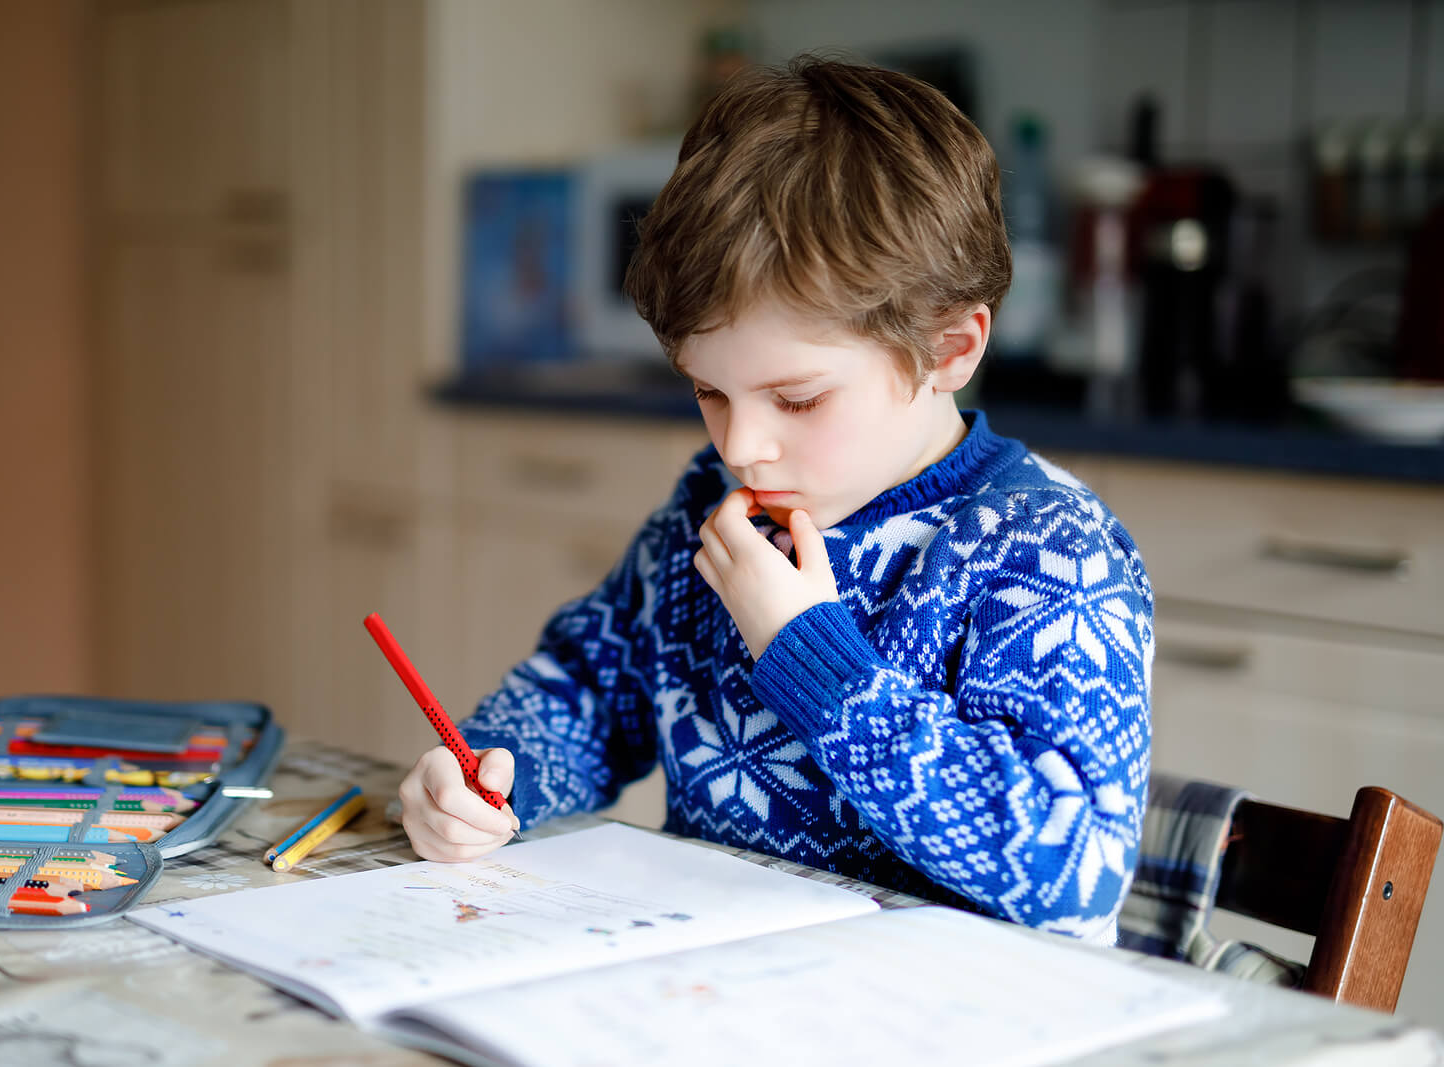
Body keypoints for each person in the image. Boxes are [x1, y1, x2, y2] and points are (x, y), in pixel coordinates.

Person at [397, 56, 1153, 945]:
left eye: (796, 399)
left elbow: (1071, 870)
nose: (739, 445)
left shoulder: (1042, 548)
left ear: (951, 347)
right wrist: (489, 778)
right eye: (708, 392)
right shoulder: (710, 508)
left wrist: (806, 655)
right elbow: (590, 691)